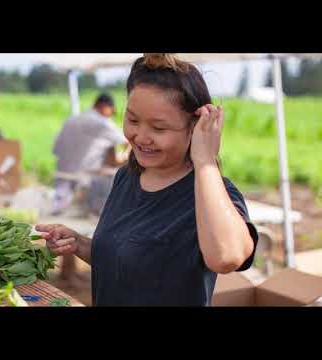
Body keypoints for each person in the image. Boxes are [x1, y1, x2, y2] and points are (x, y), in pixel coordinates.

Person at [36, 54, 259, 306]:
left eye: (159, 128)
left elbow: (226, 258)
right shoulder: (126, 177)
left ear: (195, 128)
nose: (141, 136)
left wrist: (205, 162)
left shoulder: (213, 193)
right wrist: (79, 244)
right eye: (132, 120)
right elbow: (128, 262)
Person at [50, 92, 128, 287]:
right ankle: (70, 274)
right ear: (105, 107)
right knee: (83, 227)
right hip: (85, 182)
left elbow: (56, 149)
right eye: (111, 112)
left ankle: (69, 271)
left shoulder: (72, 120)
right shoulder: (101, 122)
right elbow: (128, 140)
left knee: (67, 224)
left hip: (64, 179)